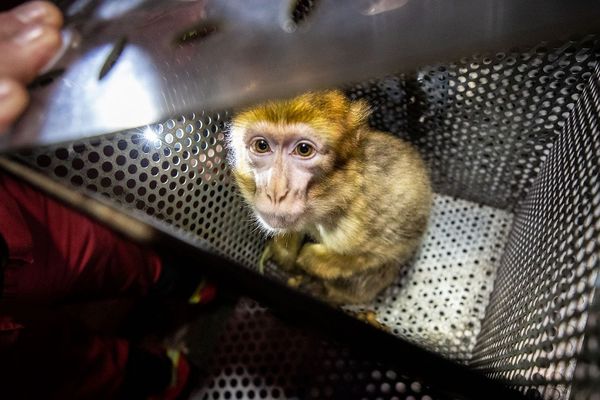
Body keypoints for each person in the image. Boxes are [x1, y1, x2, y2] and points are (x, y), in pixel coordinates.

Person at [0, 2, 215, 399]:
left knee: (92, 249)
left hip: (11, 226)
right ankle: (158, 377)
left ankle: (183, 279)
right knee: (50, 366)